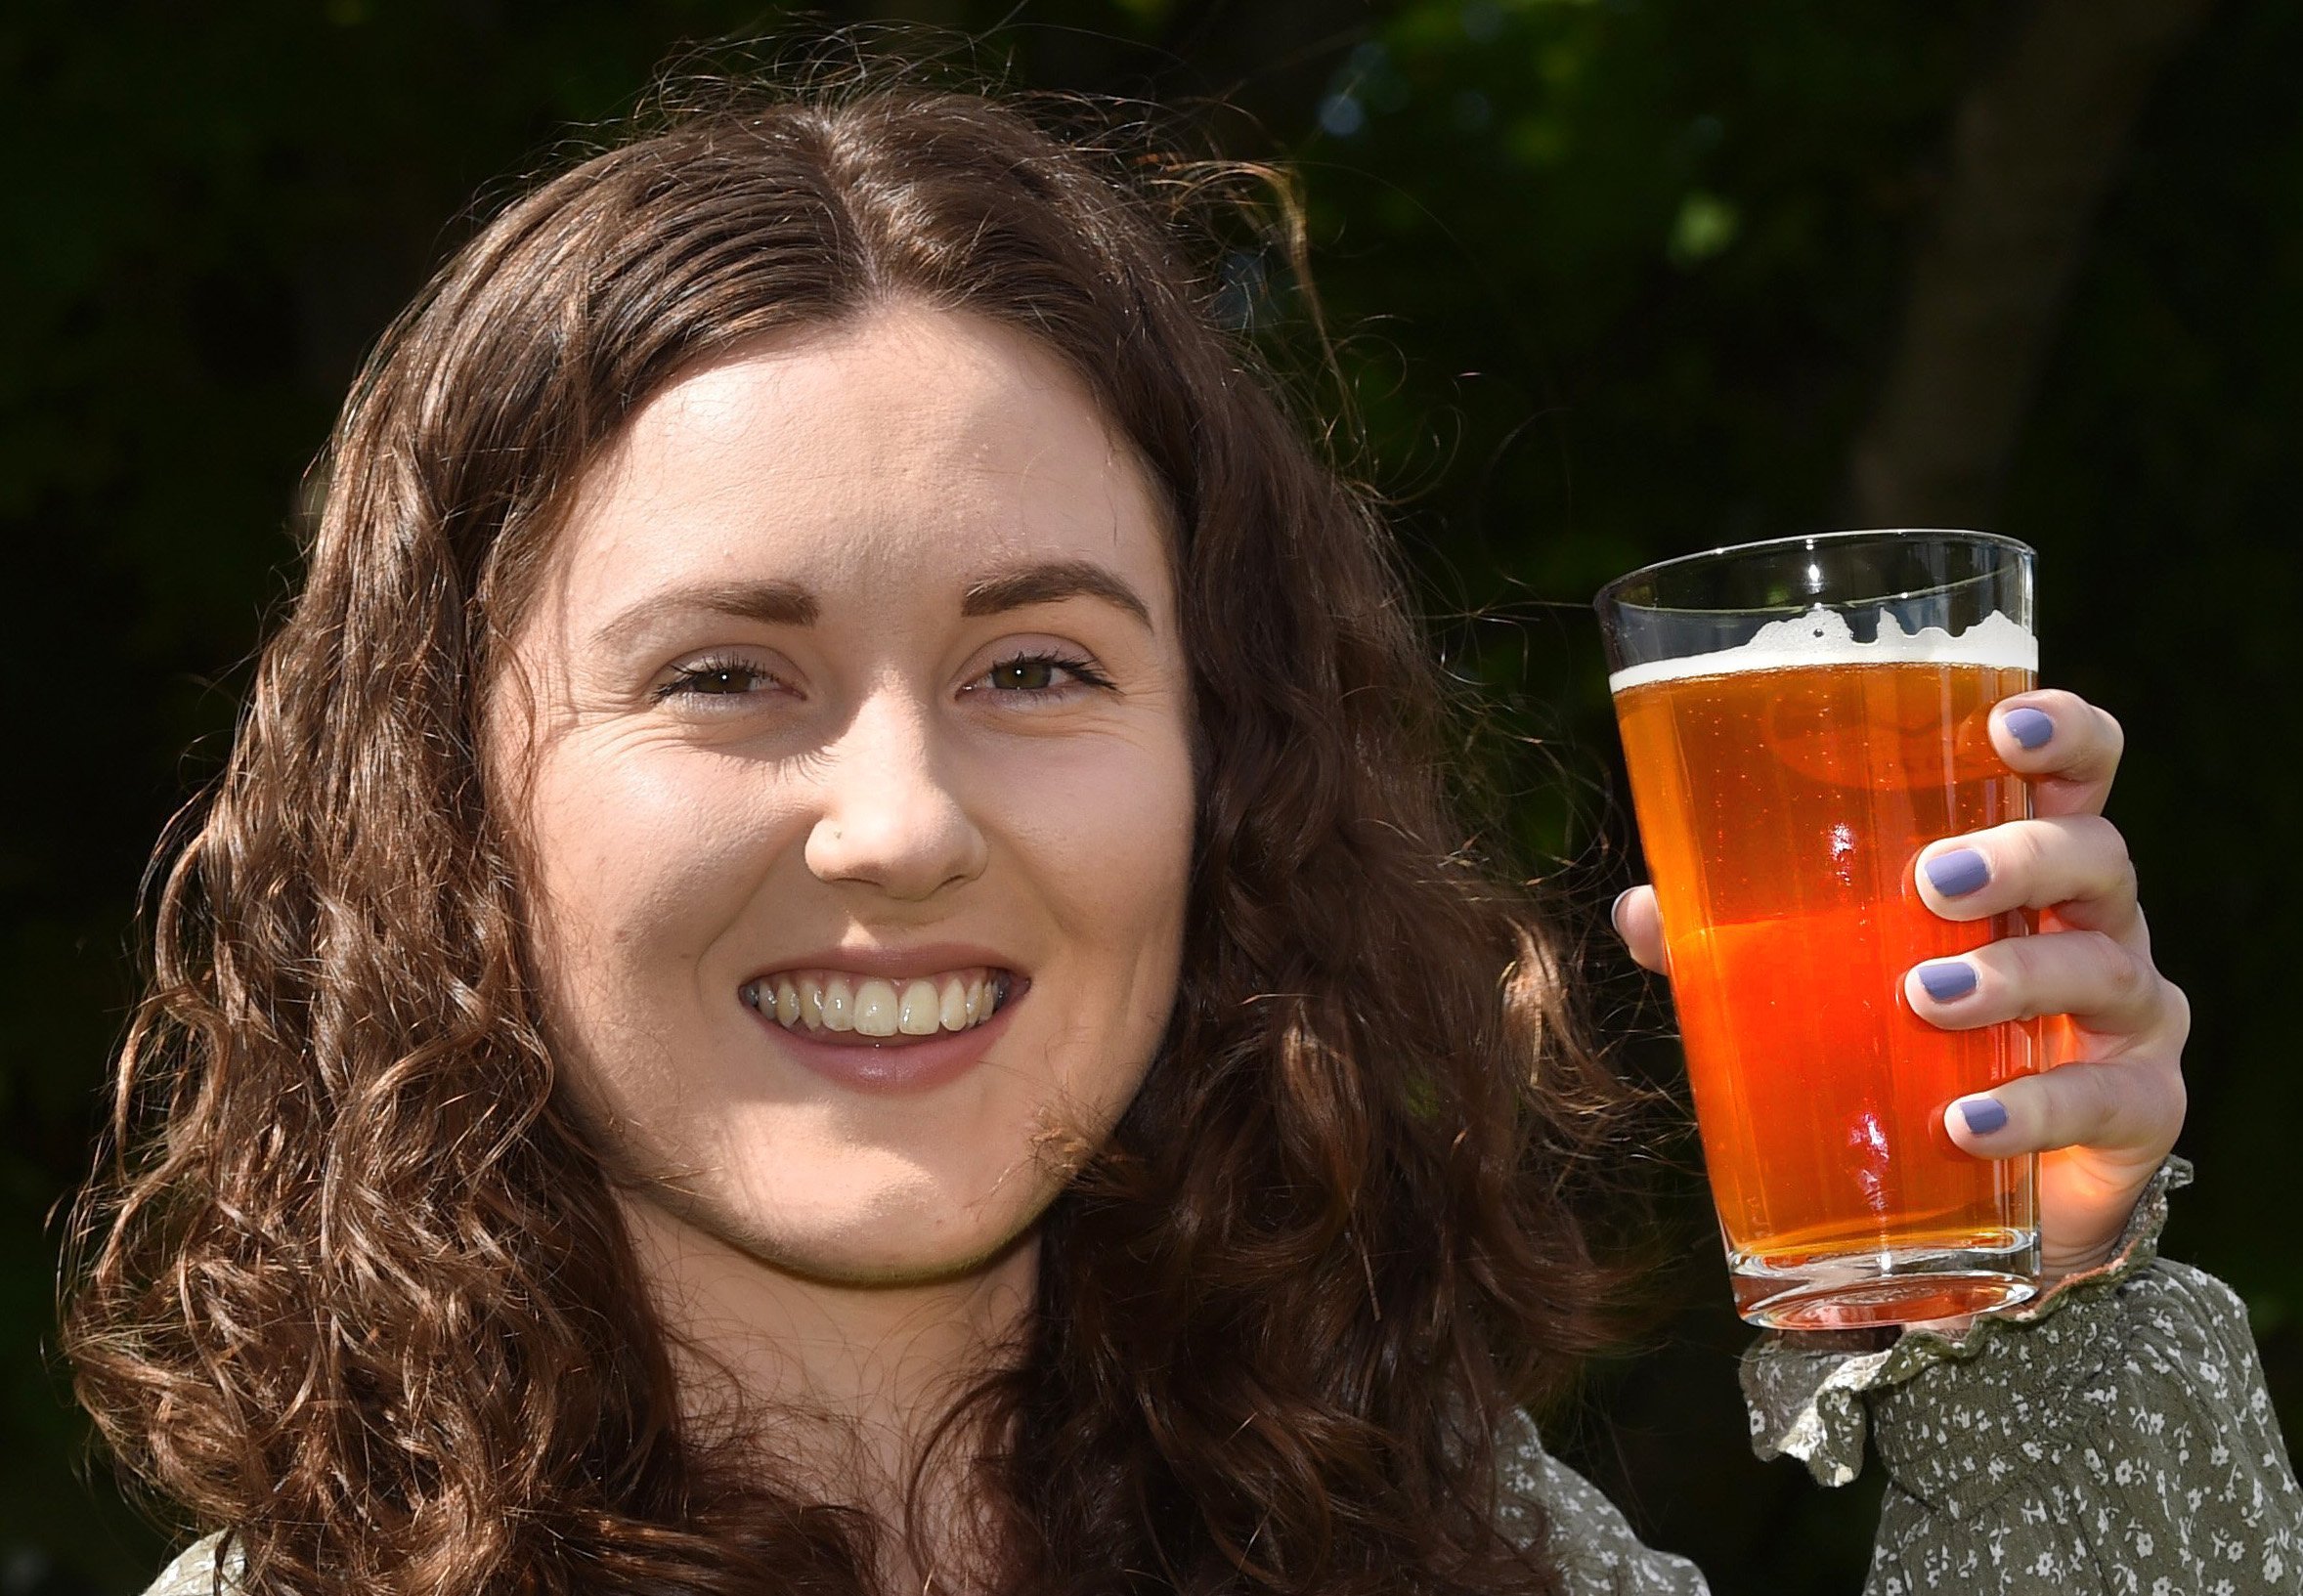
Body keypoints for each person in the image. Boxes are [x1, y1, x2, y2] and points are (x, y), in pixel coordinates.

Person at [63, 69, 2299, 1596]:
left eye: (1036, 667)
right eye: (725, 674)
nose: (900, 824)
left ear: (1221, 775)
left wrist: (2053, 1314)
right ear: (448, 803)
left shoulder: (1451, 1547)